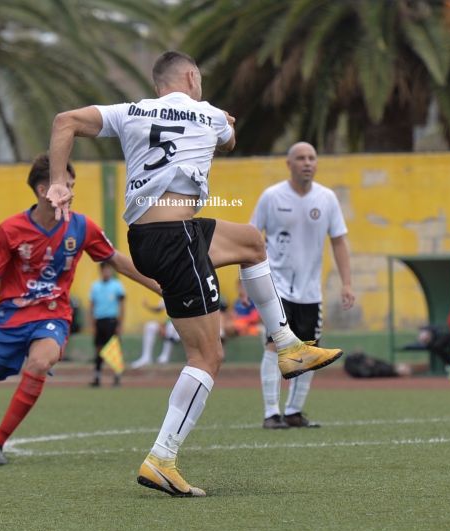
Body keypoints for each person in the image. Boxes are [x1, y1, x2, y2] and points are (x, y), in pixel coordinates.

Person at [46, 50, 344, 497]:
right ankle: (162, 457)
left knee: (250, 241)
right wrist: (223, 123)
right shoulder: (207, 114)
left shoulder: (129, 111)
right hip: (175, 239)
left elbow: (63, 121)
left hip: (151, 237)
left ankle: (287, 345)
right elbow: (229, 139)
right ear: (190, 77)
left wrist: (58, 181)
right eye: (198, 81)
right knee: (207, 357)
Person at [0, 154, 162, 467]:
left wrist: (161, 286)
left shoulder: (82, 227)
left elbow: (116, 259)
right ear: (42, 190)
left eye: (73, 186)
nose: (72, 193)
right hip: (8, 319)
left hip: (52, 316)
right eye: (66, 186)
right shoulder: (9, 230)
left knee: (40, 361)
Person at [251, 142, 355, 429]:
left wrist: (347, 283)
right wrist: (243, 279)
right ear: (289, 164)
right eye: (300, 158)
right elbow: (251, 237)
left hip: (310, 293)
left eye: (312, 158)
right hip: (276, 288)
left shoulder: (327, 198)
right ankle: (272, 413)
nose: (307, 162)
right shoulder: (271, 197)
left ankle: (294, 411)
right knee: (275, 346)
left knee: (309, 348)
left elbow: (339, 241)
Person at [89, 261, 126, 387]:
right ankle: (97, 377)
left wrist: (120, 323)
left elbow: (122, 305)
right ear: (101, 271)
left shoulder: (117, 285)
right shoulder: (95, 286)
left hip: (112, 321)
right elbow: (92, 306)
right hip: (100, 321)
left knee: (114, 349)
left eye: (109, 270)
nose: (107, 272)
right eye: (104, 270)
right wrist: (93, 324)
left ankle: (117, 376)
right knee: (99, 349)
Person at [130, 299, 182, 369]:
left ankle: (165, 357)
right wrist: (148, 306)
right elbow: (159, 309)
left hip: (181, 327)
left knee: (170, 327)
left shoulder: (183, 293)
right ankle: (146, 357)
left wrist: (165, 326)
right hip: (168, 325)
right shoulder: (166, 292)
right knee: (150, 326)